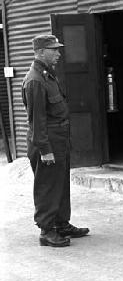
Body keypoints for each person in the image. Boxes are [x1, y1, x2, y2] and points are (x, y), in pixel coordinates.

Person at [22, 34, 89, 247]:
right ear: (41, 52)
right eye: (54, 50)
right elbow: (37, 120)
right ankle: (46, 230)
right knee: (47, 186)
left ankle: (61, 223)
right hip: (47, 141)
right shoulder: (35, 80)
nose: (59, 53)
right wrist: (44, 150)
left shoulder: (47, 75)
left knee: (60, 183)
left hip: (58, 139)